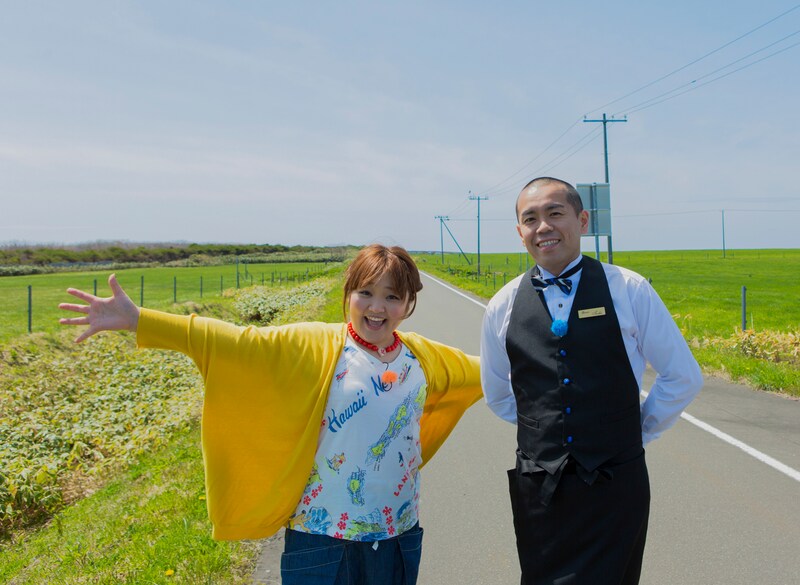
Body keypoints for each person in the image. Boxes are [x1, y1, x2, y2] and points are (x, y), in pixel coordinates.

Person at [60, 244, 482, 585]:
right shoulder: (316, 344)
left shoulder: (422, 357)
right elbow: (234, 341)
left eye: (393, 296)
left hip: (397, 536)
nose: (377, 306)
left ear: (408, 303)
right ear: (348, 295)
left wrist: (542, 364)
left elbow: (488, 372)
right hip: (322, 538)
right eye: (366, 292)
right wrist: (140, 320)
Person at [480, 177, 703, 585]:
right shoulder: (503, 304)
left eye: (555, 213)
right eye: (530, 219)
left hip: (616, 483)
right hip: (539, 489)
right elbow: (498, 394)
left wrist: (635, 433)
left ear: (582, 221)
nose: (543, 227)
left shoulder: (630, 290)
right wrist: (547, 432)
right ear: (520, 233)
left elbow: (682, 376)